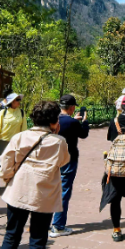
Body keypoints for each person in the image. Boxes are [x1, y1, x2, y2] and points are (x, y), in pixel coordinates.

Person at [0, 100, 69, 249]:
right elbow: (64, 161)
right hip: (43, 195)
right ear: (54, 121)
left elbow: (5, 163)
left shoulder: (19, 137)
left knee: (11, 236)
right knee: (37, 240)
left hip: (18, 191)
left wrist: (7, 178)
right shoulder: (59, 142)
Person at [49, 94, 89, 237]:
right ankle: (58, 226)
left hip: (52, 159)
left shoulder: (53, 120)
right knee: (64, 191)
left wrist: (74, 120)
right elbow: (83, 134)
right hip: (68, 159)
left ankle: (46, 222)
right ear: (72, 108)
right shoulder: (73, 123)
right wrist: (84, 121)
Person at [101, 94, 125, 242]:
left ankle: (116, 229)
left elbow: (111, 139)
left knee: (115, 199)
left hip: (115, 166)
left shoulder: (114, 121)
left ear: (122, 106)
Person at [0, 92, 27, 190]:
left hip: (16, 141)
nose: (19, 102)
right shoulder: (3, 113)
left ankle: (9, 180)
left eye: (19, 100)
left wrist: (23, 140)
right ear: (11, 102)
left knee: (14, 161)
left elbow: (24, 127)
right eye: (17, 100)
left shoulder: (21, 113)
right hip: (3, 140)